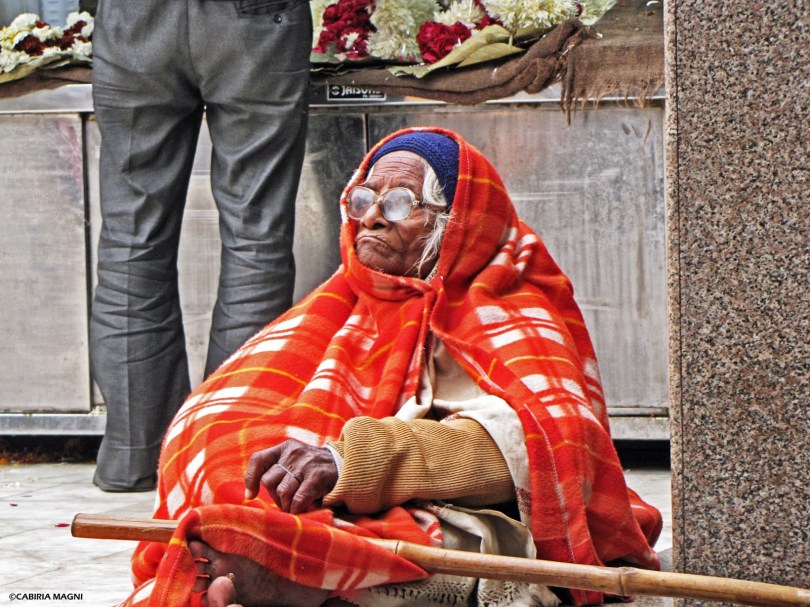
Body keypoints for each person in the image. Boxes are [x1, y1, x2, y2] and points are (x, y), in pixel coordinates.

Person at [121, 128, 663, 607]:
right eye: (363, 200)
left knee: (395, 546)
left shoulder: (510, 305)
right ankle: (261, 566)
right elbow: (230, 418)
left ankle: (279, 579)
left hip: (446, 509)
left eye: (401, 203)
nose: (372, 217)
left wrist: (351, 462)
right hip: (335, 500)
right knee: (232, 513)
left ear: (457, 221)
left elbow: (545, 445)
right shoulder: (339, 305)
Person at [89, 0, 312, 492]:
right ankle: (228, 454)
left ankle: (133, 455)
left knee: (131, 239)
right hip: (253, 21)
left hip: (136, 21)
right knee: (256, 237)